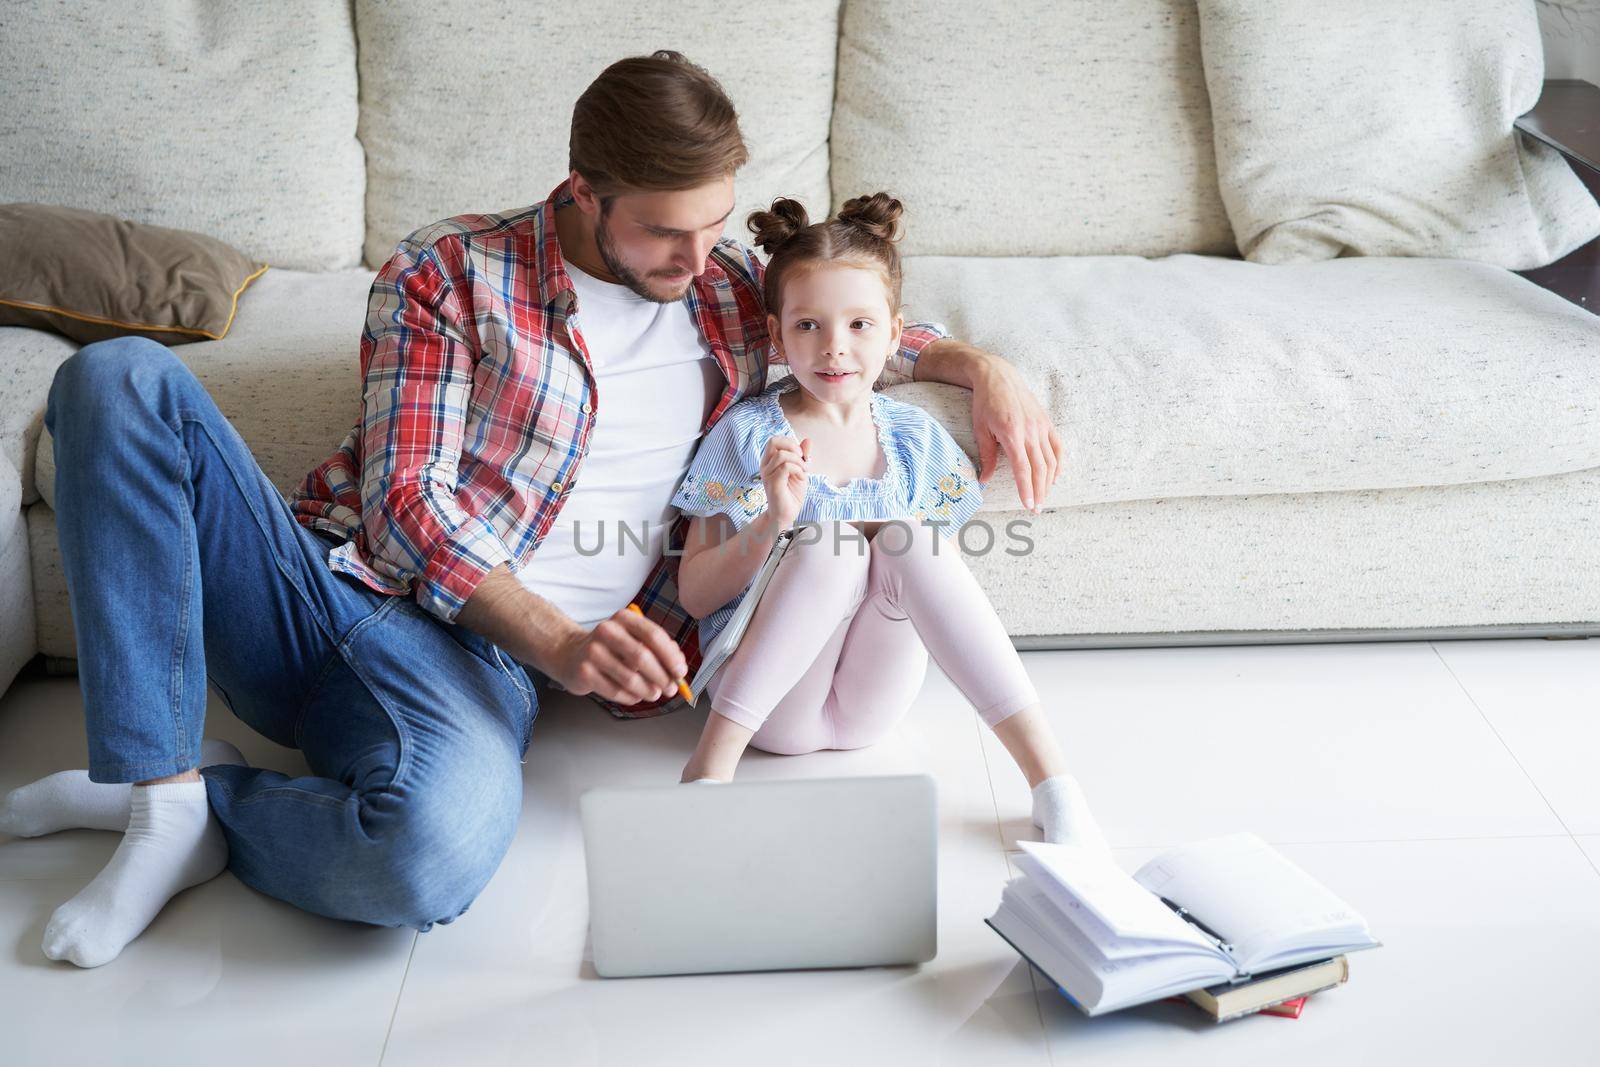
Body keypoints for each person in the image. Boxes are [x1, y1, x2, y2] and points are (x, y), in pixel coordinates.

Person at [0, 50, 1067, 968]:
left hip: (468, 672)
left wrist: (978, 366)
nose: (697, 262)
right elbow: (404, 496)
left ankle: (206, 808)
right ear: (583, 191)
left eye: (714, 226)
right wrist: (560, 637)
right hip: (321, 590)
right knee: (119, 378)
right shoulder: (450, 272)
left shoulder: (725, 285)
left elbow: (851, 323)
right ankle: (159, 787)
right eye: (662, 232)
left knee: (422, 859)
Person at [670, 194, 1107, 849]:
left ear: (895, 333)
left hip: (868, 706)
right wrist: (773, 526)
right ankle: (708, 774)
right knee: (831, 544)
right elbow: (694, 595)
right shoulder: (748, 435)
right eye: (810, 325)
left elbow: (929, 590)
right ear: (777, 335)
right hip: (771, 706)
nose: (835, 348)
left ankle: (1053, 784)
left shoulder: (911, 440)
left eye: (859, 325)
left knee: (909, 539)